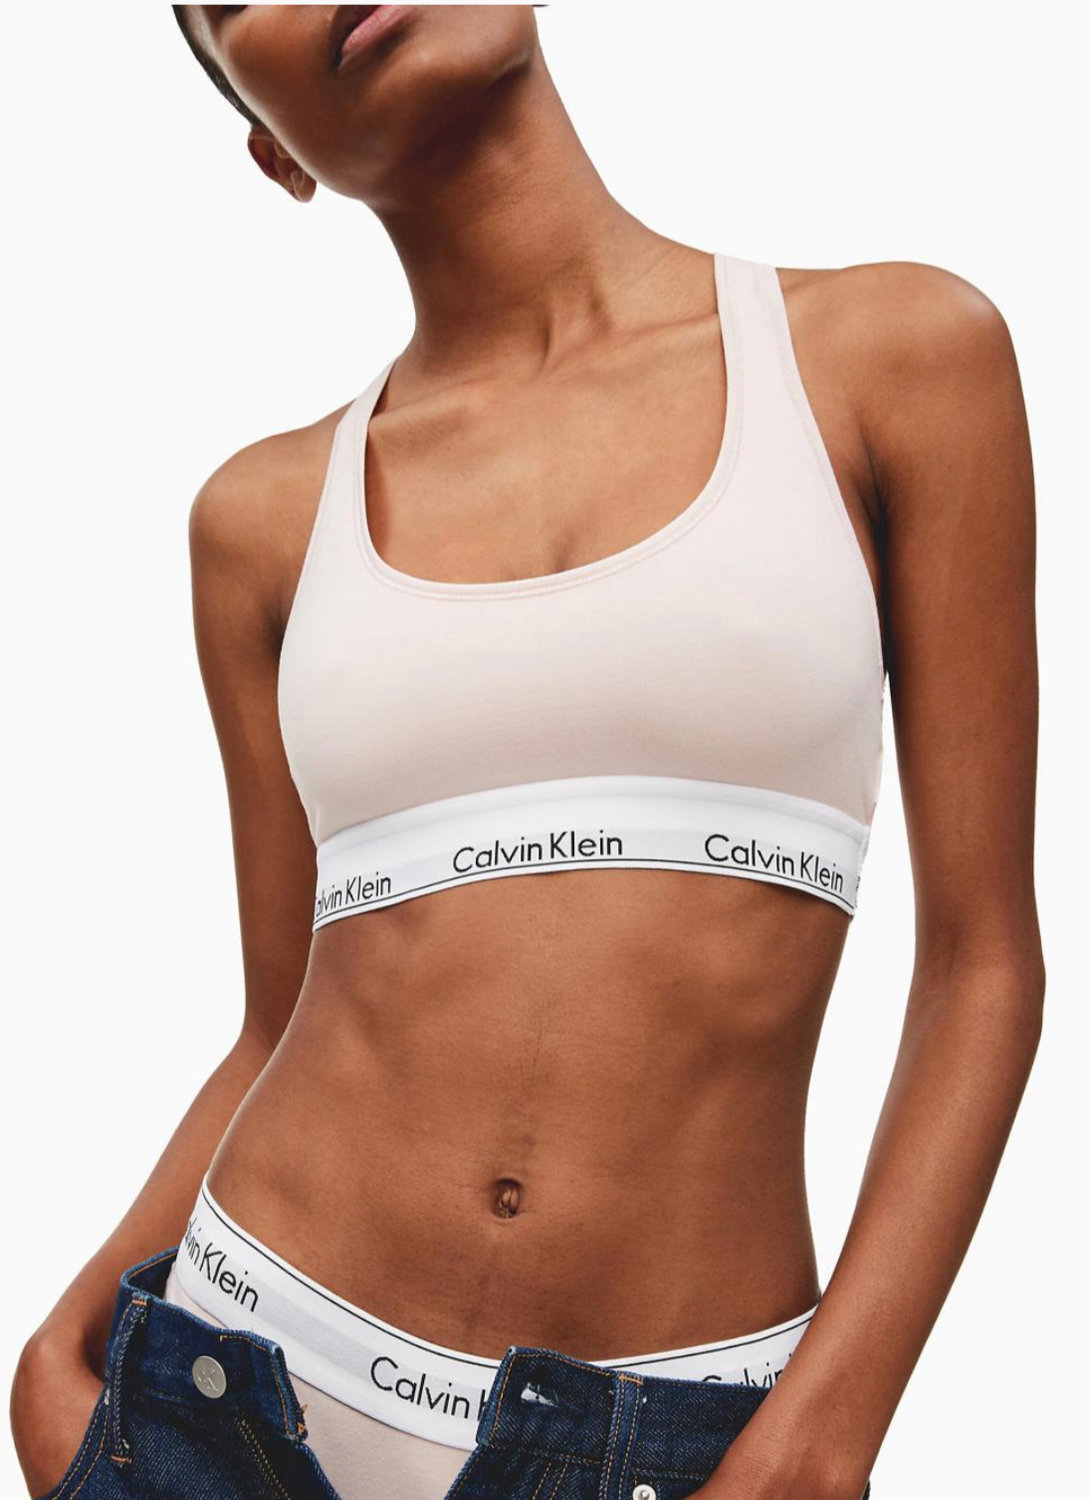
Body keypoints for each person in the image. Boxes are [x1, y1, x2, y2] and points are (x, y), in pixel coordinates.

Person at [11, 6, 1045, 1500]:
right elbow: (279, 1014)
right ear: (270, 147)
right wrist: (59, 1358)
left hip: (672, 1442)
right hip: (223, 1398)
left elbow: (981, 966)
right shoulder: (261, 521)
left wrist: (821, 1440)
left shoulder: (895, 359)